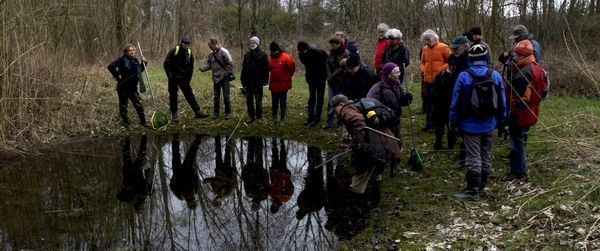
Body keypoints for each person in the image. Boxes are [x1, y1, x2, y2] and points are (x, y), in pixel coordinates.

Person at [449, 44, 507, 201]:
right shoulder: (495, 75)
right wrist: (501, 121)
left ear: (471, 59)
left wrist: (453, 121)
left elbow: (455, 101)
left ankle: (472, 191)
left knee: (473, 156)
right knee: (486, 154)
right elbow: (502, 101)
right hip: (490, 123)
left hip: (469, 123)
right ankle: (481, 187)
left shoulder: (464, 76)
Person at [331, 94, 399, 193]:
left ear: (341, 104)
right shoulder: (360, 106)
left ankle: (357, 196)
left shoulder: (345, 110)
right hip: (388, 142)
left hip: (374, 145)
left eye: (335, 110)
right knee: (377, 166)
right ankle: (375, 192)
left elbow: (358, 120)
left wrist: (359, 142)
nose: (335, 114)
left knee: (360, 167)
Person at [502, 40, 547, 181]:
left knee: (517, 142)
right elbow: (543, 92)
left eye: (516, 54)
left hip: (521, 113)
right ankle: (518, 169)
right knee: (519, 139)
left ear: (523, 55)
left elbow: (521, 99)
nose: (513, 56)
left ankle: (518, 172)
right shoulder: (536, 67)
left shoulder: (523, 73)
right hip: (531, 110)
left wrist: (511, 112)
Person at [366, 63, 412, 172]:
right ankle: (384, 161)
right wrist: (379, 114)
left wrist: (406, 98)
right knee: (388, 141)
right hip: (384, 120)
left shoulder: (396, 84)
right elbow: (368, 103)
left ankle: (395, 162)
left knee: (398, 139)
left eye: (399, 71)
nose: (399, 74)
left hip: (395, 118)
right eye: (396, 72)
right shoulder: (378, 88)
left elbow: (401, 99)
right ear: (388, 75)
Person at [163, 36, 209, 122]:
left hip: (184, 78)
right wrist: (170, 75)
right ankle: (174, 114)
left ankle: (197, 111)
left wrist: (188, 78)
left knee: (189, 95)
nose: (186, 45)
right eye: (185, 43)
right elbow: (166, 64)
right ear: (182, 43)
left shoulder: (189, 53)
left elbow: (191, 67)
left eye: (188, 44)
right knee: (173, 96)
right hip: (173, 78)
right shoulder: (174, 51)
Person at [107, 43, 148, 127]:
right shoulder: (122, 60)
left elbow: (139, 72)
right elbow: (110, 66)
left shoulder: (135, 60)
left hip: (132, 88)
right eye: (130, 50)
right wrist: (117, 77)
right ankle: (126, 124)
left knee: (138, 105)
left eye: (133, 50)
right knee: (123, 106)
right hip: (123, 87)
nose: (132, 52)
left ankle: (143, 123)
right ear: (126, 52)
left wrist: (144, 62)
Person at [419, 29, 451, 132]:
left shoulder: (444, 47)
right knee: (428, 103)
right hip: (427, 80)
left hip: (440, 81)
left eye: (428, 39)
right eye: (425, 40)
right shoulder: (425, 49)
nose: (426, 42)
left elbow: (450, 61)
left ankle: (437, 125)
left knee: (437, 104)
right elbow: (422, 62)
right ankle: (429, 124)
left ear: (434, 38)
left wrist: (442, 69)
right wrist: (423, 69)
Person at [200, 38, 234, 120]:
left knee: (226, 96)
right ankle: (216, 113)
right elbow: (210, 65)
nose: (209, 47)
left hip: (224, 78)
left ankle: (228, 113)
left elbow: (230, 64)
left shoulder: (223, 52)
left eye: (210, 45)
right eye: (209, 46)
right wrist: (203, 68)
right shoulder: (210, 55)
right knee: (216, 97)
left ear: (215, 44)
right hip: (216, 79)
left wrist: (225, 74)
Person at [430, 54, 459, 150]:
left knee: (452, 127)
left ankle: (451, 146)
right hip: (440, 105)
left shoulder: (458, 76)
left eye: (455, 65)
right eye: (452, 65)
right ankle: (438, 143)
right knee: (439, 126)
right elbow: (434, 89)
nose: (454, 67)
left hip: (452, 105)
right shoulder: (441, 75)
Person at [117, 135, 152, 213]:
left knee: (127, 155)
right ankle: (144, 135)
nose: (142, 207)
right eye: (142, 208)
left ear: (136, 208)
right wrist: (151, 190)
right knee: (142, 155)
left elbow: (119, 197)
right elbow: (147, 185)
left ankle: (127, 137)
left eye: (140, 208)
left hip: (128, 173)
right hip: (137, 171)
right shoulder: (144, 196)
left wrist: (127, 194)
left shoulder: (131, 200)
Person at [297, 41, 328, 127]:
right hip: (311, 78)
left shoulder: (318, 52)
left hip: (321, 78)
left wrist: (324, 75)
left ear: (307, 48)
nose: (302, 53)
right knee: (312, 97)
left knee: (320, 98)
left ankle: (317, 118)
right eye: (300, 51)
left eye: (303, 51)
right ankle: (310, 117)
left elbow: (326, 62)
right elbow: (306, 65)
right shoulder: (301, 54)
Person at [241, 36, 269, 124]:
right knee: (249, 100)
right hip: (248, 81)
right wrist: (243, 80)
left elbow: (266, 69)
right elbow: (244, 68)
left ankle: (259, 116)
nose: (252, 44)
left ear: (257, 44)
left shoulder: (263, 55)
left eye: (253, 43)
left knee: (258, 100)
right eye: (251, 43)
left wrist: (265, 81)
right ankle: (251, 116)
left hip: (258, 82)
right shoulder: (247, 55)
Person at [323, 36, 350, 129]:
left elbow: (344, 68)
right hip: (331, 81)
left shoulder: (346, 53)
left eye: (333, 45)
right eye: (331, 45)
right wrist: (329, 76)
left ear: (339, 44)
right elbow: (327, 64)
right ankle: (329, 121)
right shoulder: (331, 52)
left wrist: (333, 75)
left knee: (341, 102)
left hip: (341, 81)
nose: (332, 47)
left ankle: (341, 122)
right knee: (331, 101)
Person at [169, 134, 201, 209]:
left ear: (188, 204)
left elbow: (171, 186)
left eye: (191, 203)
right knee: (191, 155)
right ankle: (198, 139)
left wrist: (174, 178)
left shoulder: (180, 196)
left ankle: (175, 138)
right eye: (194, 203)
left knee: (176, 155)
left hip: (177, 173)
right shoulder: (195, 192)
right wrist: (193, 172)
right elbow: (196, 180)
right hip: (187, 171)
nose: (192, 201)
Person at [204, 136, 237, 207]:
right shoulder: (227, 194)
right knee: (227, 152)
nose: (215, 200)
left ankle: (217, 136)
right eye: (216, 202)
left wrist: (207, 180)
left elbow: (213, 180)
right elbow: (233, 184)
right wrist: (233, 173)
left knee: (218, 152)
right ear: (220, 202)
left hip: (219, 170)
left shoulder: (214, 190)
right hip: (227, 170)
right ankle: (229, 135)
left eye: (214, 201)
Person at [267, 42, 296, 126]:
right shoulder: (270, 59)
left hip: (284, 85)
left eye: (275, 51)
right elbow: (268, 69)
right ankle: (274, 118)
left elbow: (292, 68)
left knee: (283, 103)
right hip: (274, 85)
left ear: (278, 50)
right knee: (274, 103)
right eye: (272, 51)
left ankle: (282, 119)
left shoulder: (286, 57)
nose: (274, 53)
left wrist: (288, 76)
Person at [295, 146, 326, 220]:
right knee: (318, 164)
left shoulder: (300, 203)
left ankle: (311, 147)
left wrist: (308, 187)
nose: (301, 209)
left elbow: (302, 193)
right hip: (318, 183)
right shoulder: (315, 208)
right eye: (301, 211)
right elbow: (323, 197)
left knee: (311, 163)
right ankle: (317, 148)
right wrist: (319, 190)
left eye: (299, 211)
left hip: (310, 182)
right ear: (304, 213)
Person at [242, 137, 269, 211]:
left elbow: (245, 182)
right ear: (258, 205)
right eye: (255, 205)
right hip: (259, 170)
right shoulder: (264, 196)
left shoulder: (249, 194)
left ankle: (251, 139)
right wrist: (266, 173)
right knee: (258, 152)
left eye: (253, 205)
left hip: (249, 170)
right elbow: (267, 184)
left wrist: (243, 171)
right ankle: (259, 138)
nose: (254, 204)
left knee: (250, 153)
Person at [268, 139, 294, 214]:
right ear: (277, 207)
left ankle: (274, 141)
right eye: (275, 207)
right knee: (283, 157)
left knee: (274, 155)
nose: (274, 205)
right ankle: (282, 143)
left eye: (272, 206)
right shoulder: (285, 198)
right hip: (283, 174)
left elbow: (268, 185)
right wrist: (286, 181)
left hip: (274, 172)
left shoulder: (271, 194)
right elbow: (291, 188)